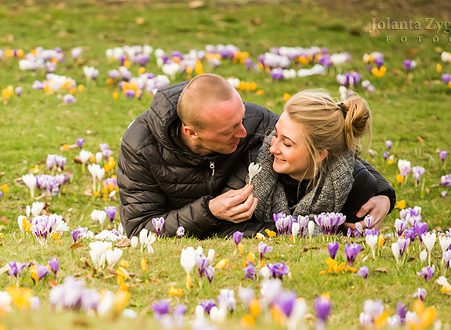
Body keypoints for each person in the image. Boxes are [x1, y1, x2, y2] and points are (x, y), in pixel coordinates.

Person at [117, 74, 393, 238]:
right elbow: (141, 229)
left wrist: (381, 192)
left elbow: (326, 144)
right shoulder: (140, 148)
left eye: (241, 120)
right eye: (229, 131)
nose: (243, 131)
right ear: (192, 132)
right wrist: (209, 210)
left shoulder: (251, 120)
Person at [251, 89, 386, 232]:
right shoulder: (256, 164)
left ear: (318, 155)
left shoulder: (354, 185)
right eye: (275, 134)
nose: (272, 149)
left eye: (287, 144)